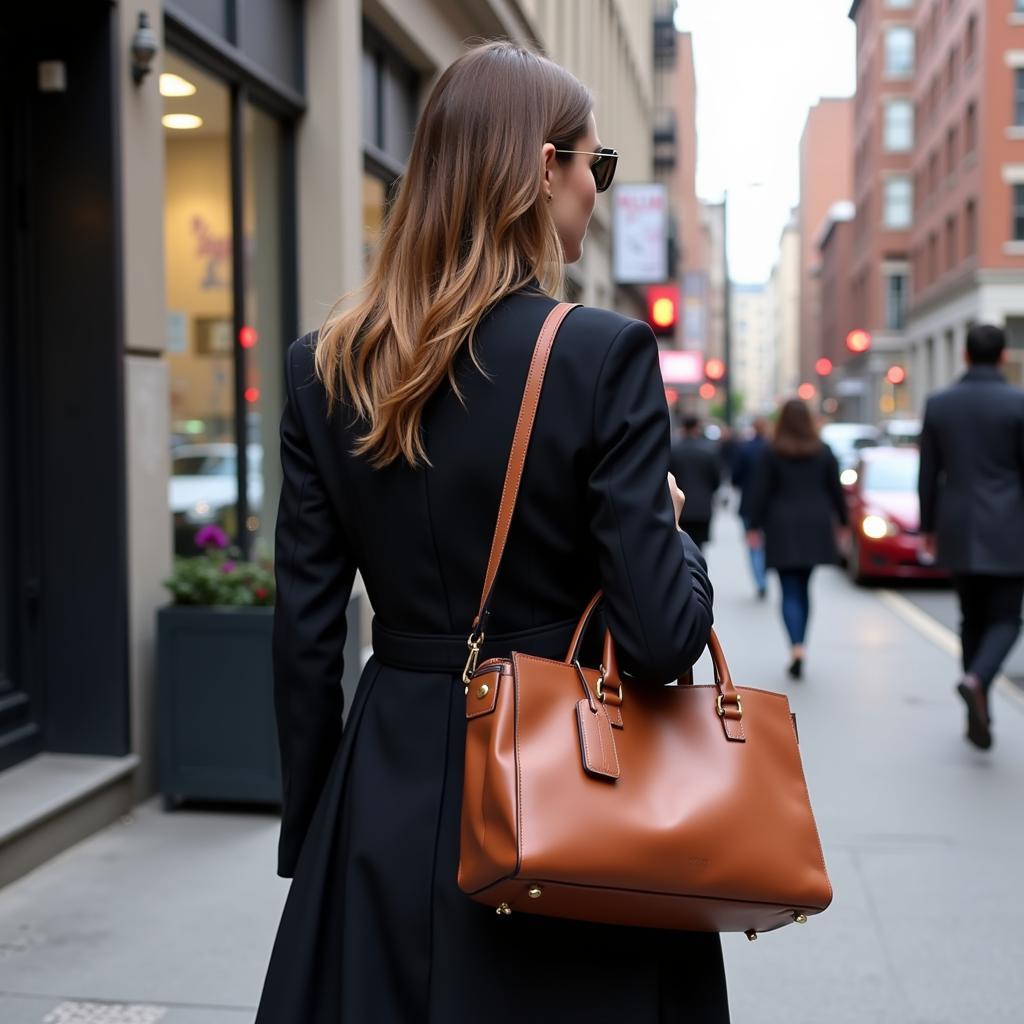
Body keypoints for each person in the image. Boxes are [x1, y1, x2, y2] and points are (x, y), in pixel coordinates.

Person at [255, 42, 726, 1023]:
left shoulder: (323, 367)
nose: (598, 192)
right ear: (540, 169)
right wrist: (674, 532)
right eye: (593, 165)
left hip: (383, 786)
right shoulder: (600, 355)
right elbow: (657, 638)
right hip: (567, 795)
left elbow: (304, 634)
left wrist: (316, 829)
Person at [919, 323, 1024, 751]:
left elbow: (929, 473)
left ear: (964, 355)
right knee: (1007, 619)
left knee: (970, 620)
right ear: (1002, 357)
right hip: (1010, 526)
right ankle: (976, 680)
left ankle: (974, 713)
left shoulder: (940, 404)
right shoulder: (1019, 403)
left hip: (958, 525)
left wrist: (927, 527)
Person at [747, 399, 848, 679]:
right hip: (815, 525)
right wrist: (843, 522)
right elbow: (836, 491)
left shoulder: (771, 452)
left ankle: (795, 647)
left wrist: (753, 527)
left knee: (788, 590)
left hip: (781, 526)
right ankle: (802, 644)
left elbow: (760, 492)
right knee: (804, 588)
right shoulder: (824, 451)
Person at [669, 415, 722, 549]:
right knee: (699, 547)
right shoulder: (709, 451)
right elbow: (716, 479)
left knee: (681, 545)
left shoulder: (674, 451)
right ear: (697, 428)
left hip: (680, 507)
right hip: (702, 506)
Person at [731, 418, 770, 599]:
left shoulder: (746, 449)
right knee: (767, 543)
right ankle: (764, 577)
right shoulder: (774, 448)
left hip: (749, 502)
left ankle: (760, 580)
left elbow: (736, 477)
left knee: (753, 544)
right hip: (771, 505)